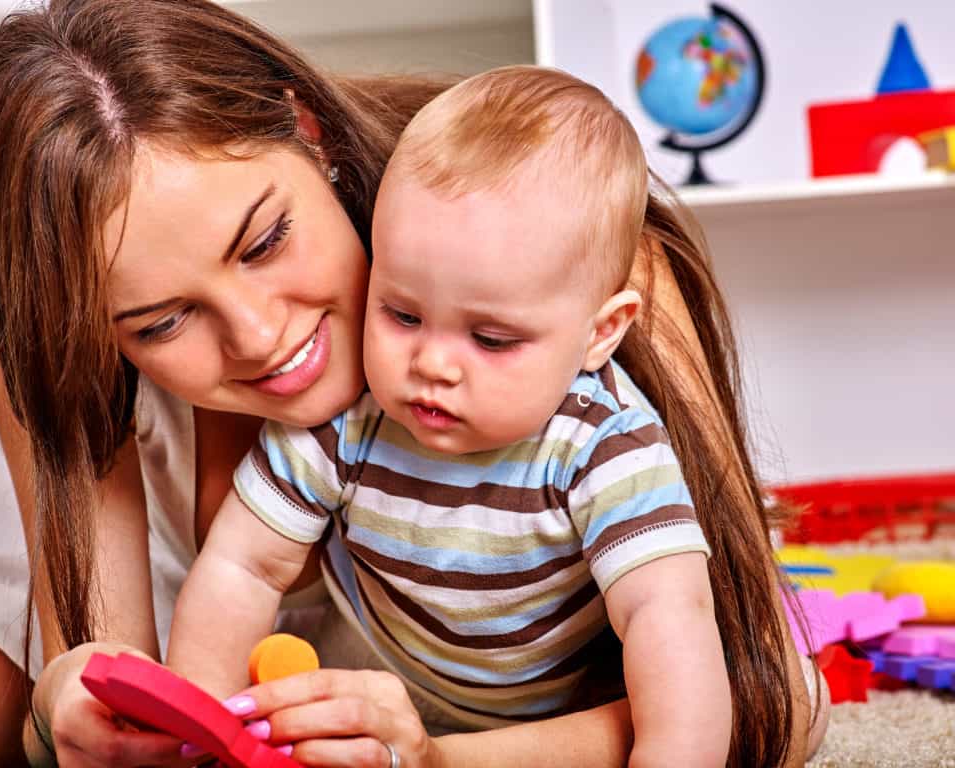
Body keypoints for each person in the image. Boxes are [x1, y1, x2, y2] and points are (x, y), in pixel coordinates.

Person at [0, 0, 826, 765]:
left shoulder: (555, 257)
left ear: (311, 134)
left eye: (264, 241)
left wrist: (436, 755)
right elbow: (117, 668)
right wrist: (62, 705)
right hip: (137, 461)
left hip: (411, 640)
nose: (259, 338)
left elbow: (770, 703)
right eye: (163, 320)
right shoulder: (43, 287)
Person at [169, 65, 731, 766]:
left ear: (599, 333)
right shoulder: (349, 419)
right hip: (383, 665)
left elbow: (666, 619)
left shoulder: (606, 447)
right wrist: (205, 728)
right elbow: (242, 568)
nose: (431, 363)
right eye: (403, 313)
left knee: (719, 688)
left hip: (560, 704)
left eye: (491, 339)